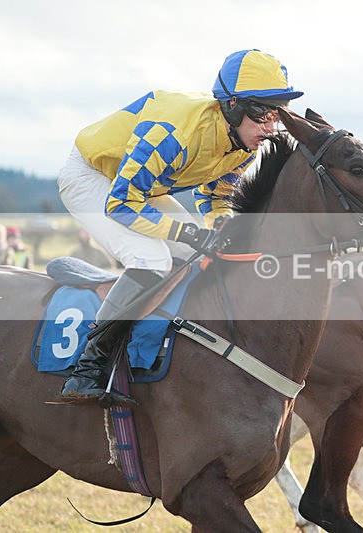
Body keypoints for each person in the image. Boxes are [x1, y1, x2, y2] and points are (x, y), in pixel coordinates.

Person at [57, 49, 303, 406]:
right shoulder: (173, 133)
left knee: (192, 251)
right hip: (92, 177)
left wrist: (222, 226)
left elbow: (216, 196)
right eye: (263, 114)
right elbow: (121, 204)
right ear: (232, 106)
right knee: (152, 259)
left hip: (139, 189)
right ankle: (87, 367)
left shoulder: (245, 146)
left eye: (277, 114)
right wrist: (186, 232)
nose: (270, 128)